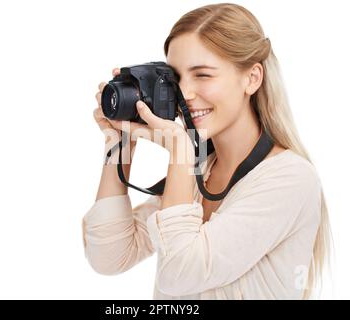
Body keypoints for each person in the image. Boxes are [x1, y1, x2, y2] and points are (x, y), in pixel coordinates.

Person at [83, 3, 331, 299]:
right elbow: (109, 257)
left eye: (202, 75)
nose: (185, 94)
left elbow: (179, 274)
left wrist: (180, 153)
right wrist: (119, 141)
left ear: (252, 78)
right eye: (175, 78)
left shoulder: (290, 178)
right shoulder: (200, 170)